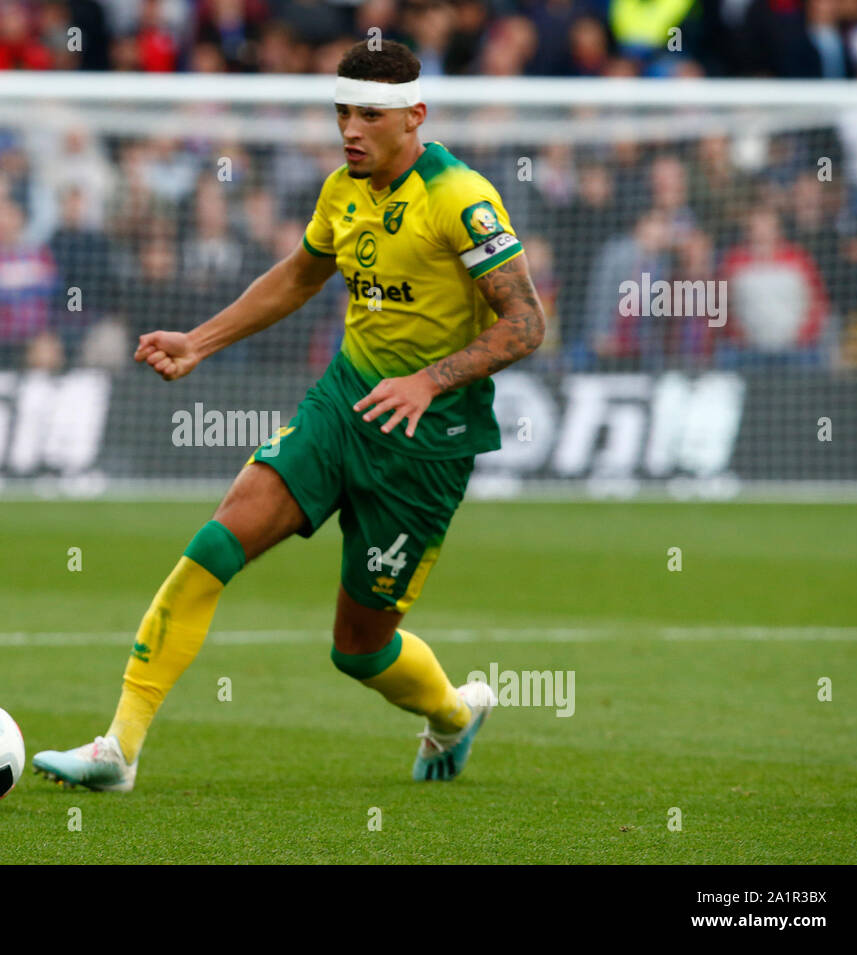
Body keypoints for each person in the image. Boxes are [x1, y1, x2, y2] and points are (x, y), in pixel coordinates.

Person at [32, 39, 546, 791]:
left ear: (415, 118)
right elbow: (302, 275)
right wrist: (199, 342)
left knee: (360, 649)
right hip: (340, 405)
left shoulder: (460, 198)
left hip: (423, 445)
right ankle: (119, 747)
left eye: (369, 114)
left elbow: (528, 323)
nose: (350, 129)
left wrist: (429, 382)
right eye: (342, 112)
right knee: (215, 544)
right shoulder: (343, 188)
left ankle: (453, 712)